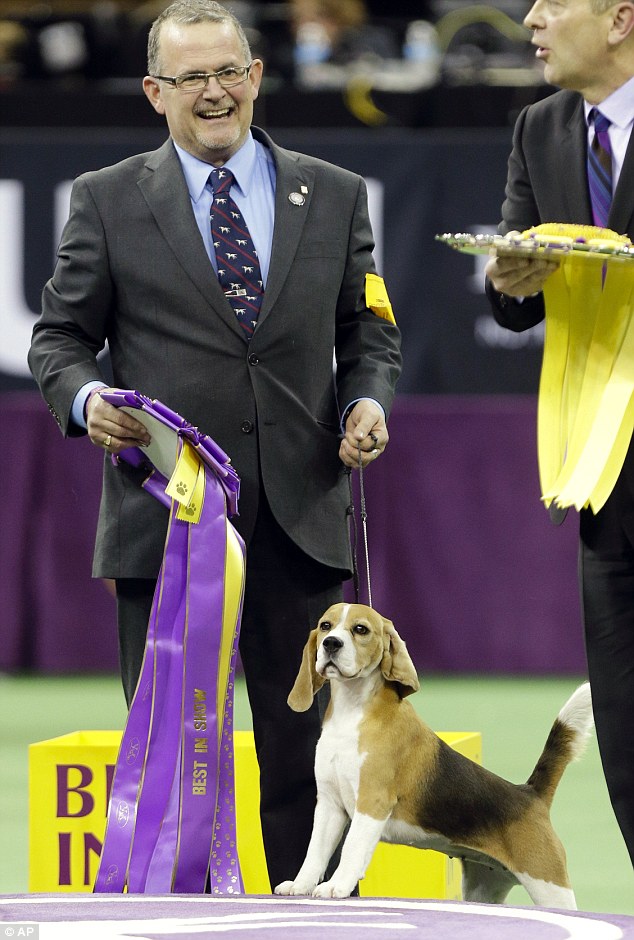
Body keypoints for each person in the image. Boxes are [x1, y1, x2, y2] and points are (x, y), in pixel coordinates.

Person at [28, 0, 401, 891]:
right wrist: (87, 399)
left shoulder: (337, 192)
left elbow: (371, 331)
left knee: (308, 767)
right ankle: (176, 918)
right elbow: (59, 339)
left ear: (257, 76)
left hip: (300, 518)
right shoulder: (107, 200)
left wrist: (368, 402)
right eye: (191, 77)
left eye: (229, 71)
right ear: (155, 92)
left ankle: (303, 919)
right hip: (167, 523)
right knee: (167, 764)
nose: (215, 92)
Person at [484, 0, 634, 868]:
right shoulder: (540, 126)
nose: (532, 18)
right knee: (623, 717)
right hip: (601, 474)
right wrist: (509, 278)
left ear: (619, 20)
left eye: (553, 3)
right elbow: (513, 299)